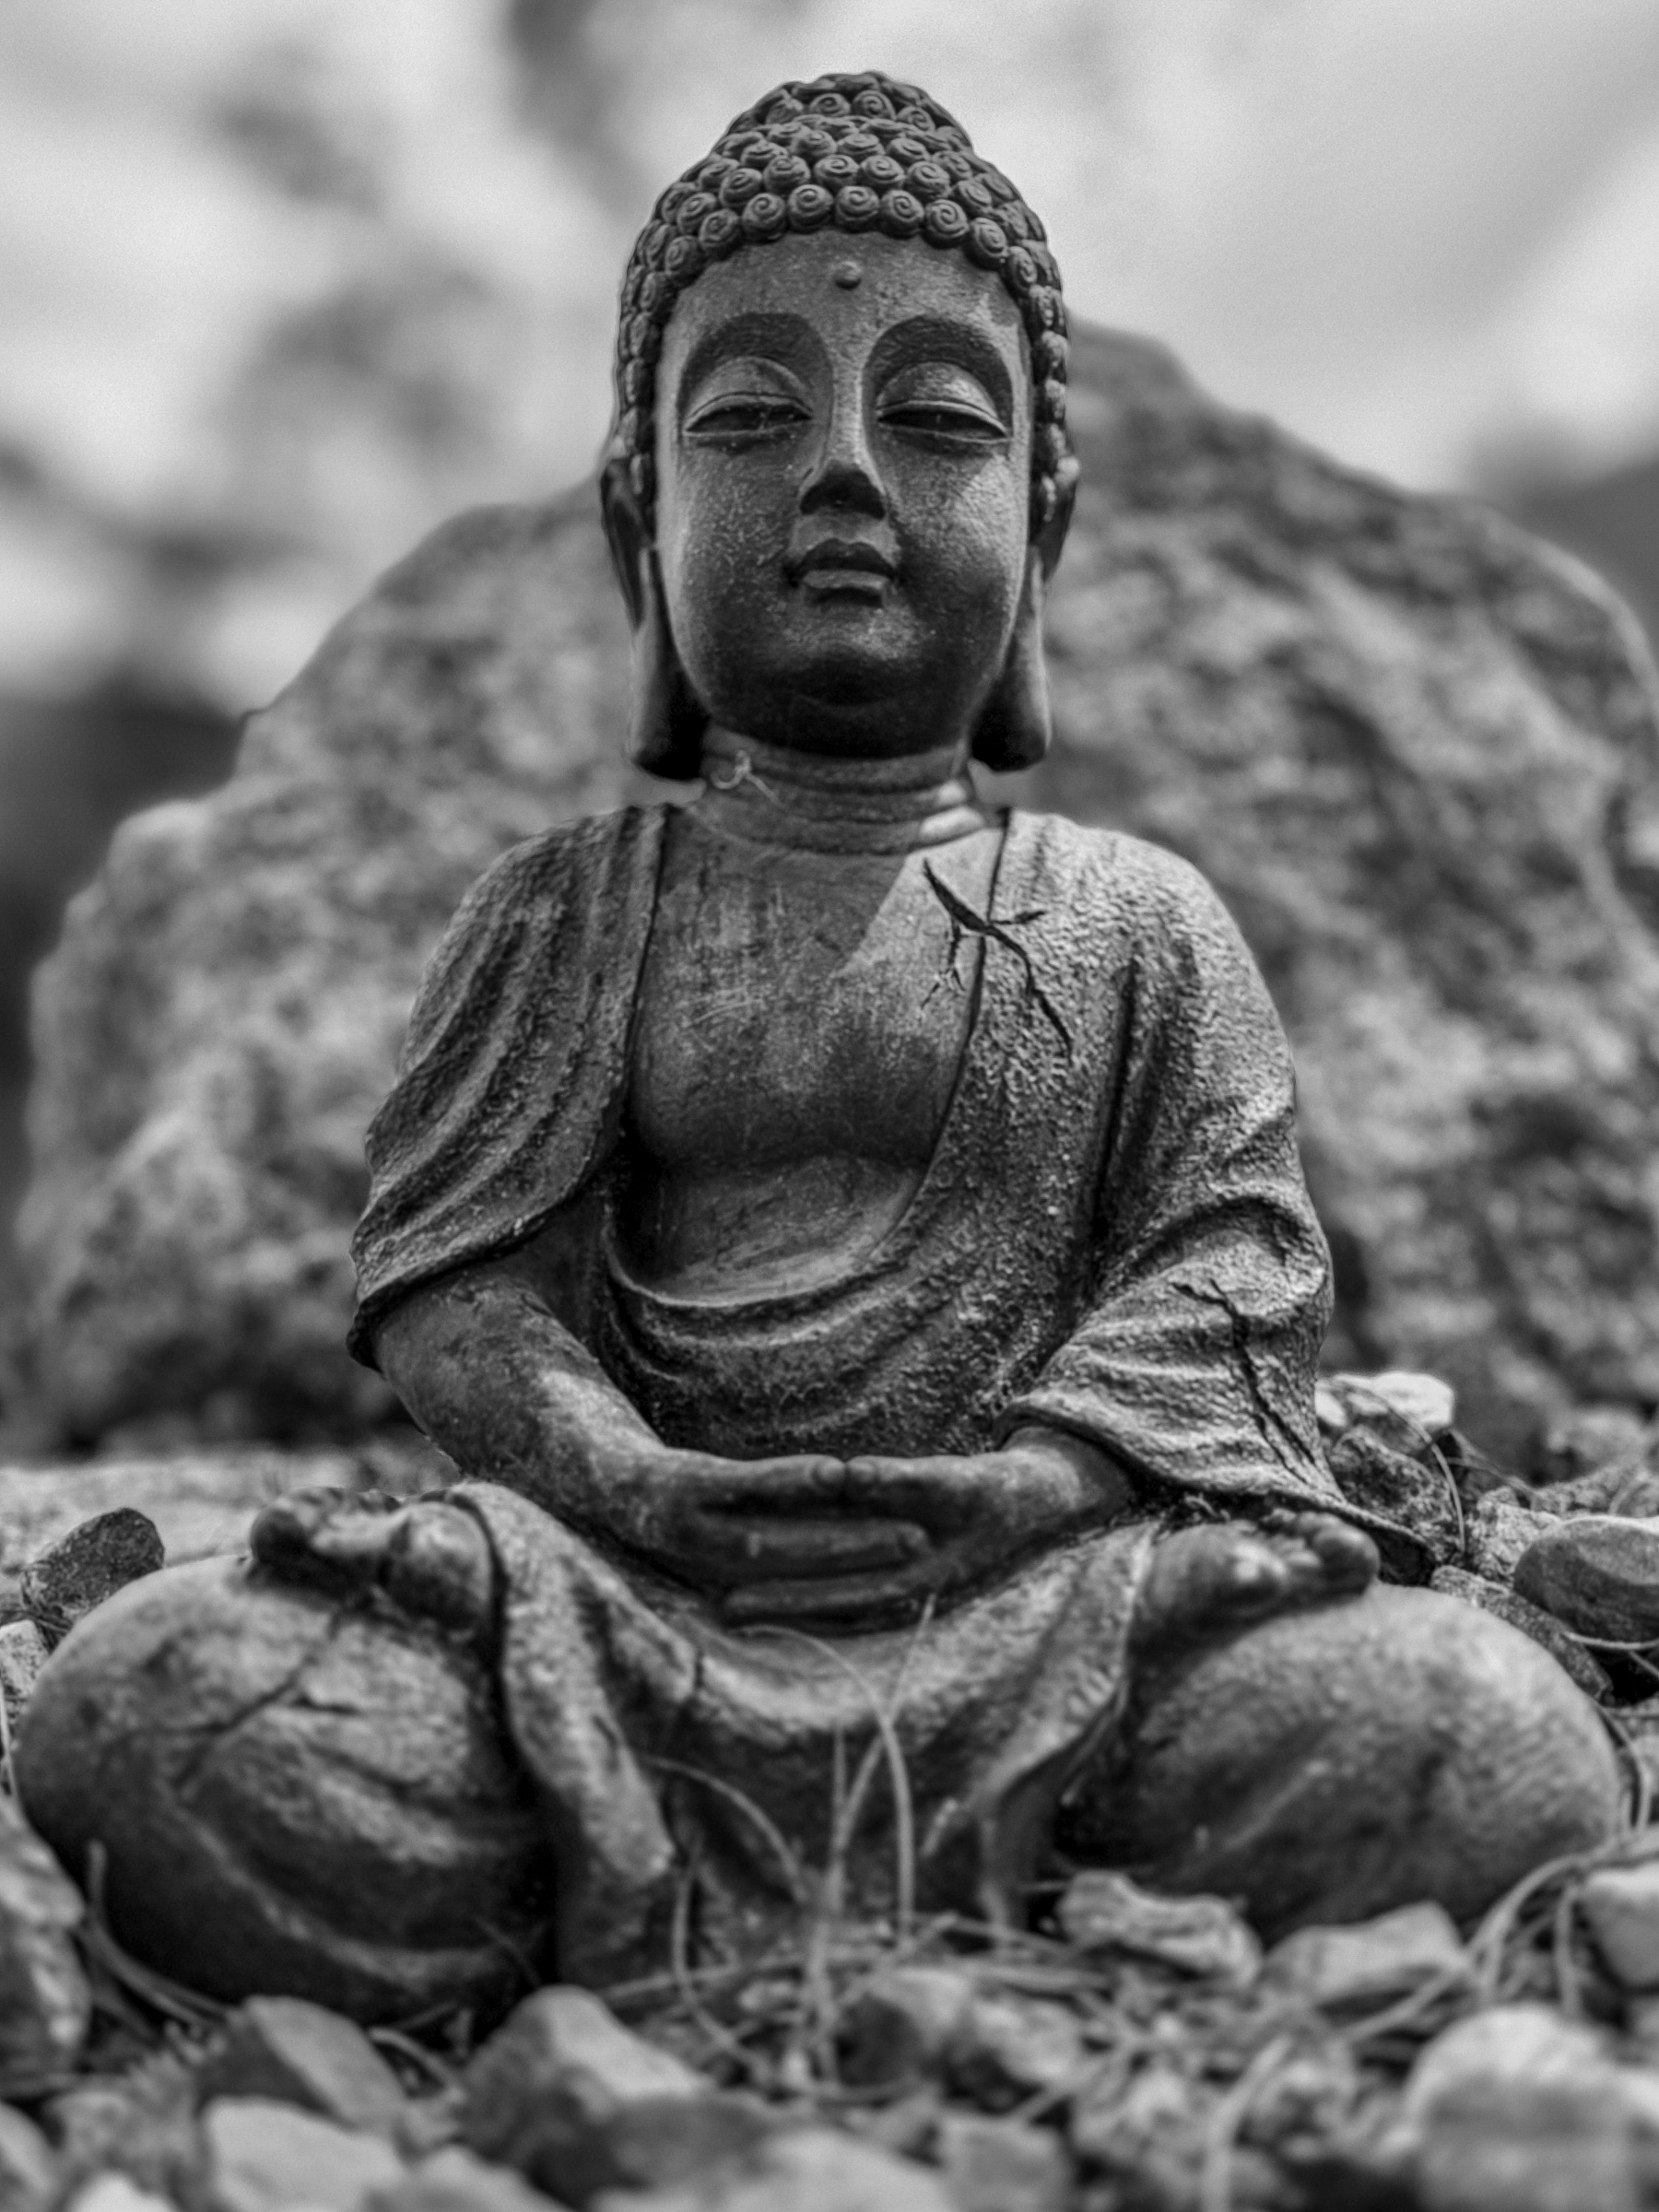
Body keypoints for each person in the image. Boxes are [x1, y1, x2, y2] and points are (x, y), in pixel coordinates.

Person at [18, 71, 1618, 2023]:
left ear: (1045, 527)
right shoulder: (569, 907)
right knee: (166, 1706)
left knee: (1471, 1735)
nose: (847, 476)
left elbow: (1238, 1268)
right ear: (643, 527)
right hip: (620, 1603)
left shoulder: (1137, 915)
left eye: (938, 422)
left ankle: (806, 1907)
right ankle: (955, 1905)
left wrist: (1045, 1480)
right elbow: (462, 1287)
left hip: (1050, 1604)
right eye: (754, 420)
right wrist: (619, 1474)